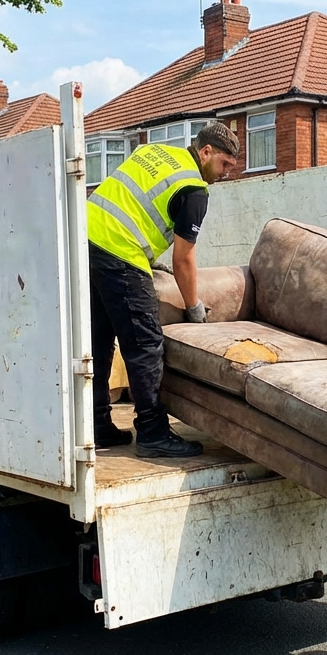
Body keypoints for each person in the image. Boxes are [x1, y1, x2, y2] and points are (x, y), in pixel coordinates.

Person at [85, 123, 239, 458]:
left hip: (86, 239)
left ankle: (96, 426)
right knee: (145, 345)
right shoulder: (194, 189)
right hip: (119, 251)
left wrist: (149, 257)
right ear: (206, 152)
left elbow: (136, 204)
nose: (226, 173)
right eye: (224, 164)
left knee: (98, 340)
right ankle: (153, 432)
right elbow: (184, 259)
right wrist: (194, 307)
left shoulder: (154, 151)